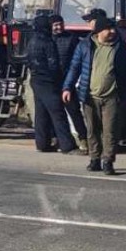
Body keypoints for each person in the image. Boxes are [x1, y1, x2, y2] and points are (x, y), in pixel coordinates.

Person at [63, 16, 126, 175]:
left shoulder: (121, 48)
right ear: (99, 31)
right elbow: (74, 68)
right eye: (109, 29)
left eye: (113, 28)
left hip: (113, 96)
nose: (113, 31)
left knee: (110, 130)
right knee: (92, 130)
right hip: (89, 96)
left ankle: (108, 160)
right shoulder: (85, 46)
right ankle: (94, 159)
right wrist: (67, 87)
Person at [28, 13, 77, 153]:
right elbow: (53, 64)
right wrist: (58, 80)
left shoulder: (32, 41)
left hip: (36, 80)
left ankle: (42, 144)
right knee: (58, 113)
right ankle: (67, 145)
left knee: (41, 113)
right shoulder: (47, 42)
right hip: (48, 82)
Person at [52, 14, 88, 152]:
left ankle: (83, 138)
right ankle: (58, 138)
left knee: (73, 110)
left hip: (67, 81)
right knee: (55, 112)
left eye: (60, 24)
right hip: (53, 82)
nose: (59, 27)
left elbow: (76, 61)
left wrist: (71, 80)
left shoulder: (71, 39)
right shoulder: (48, 39)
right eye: (55, 25)